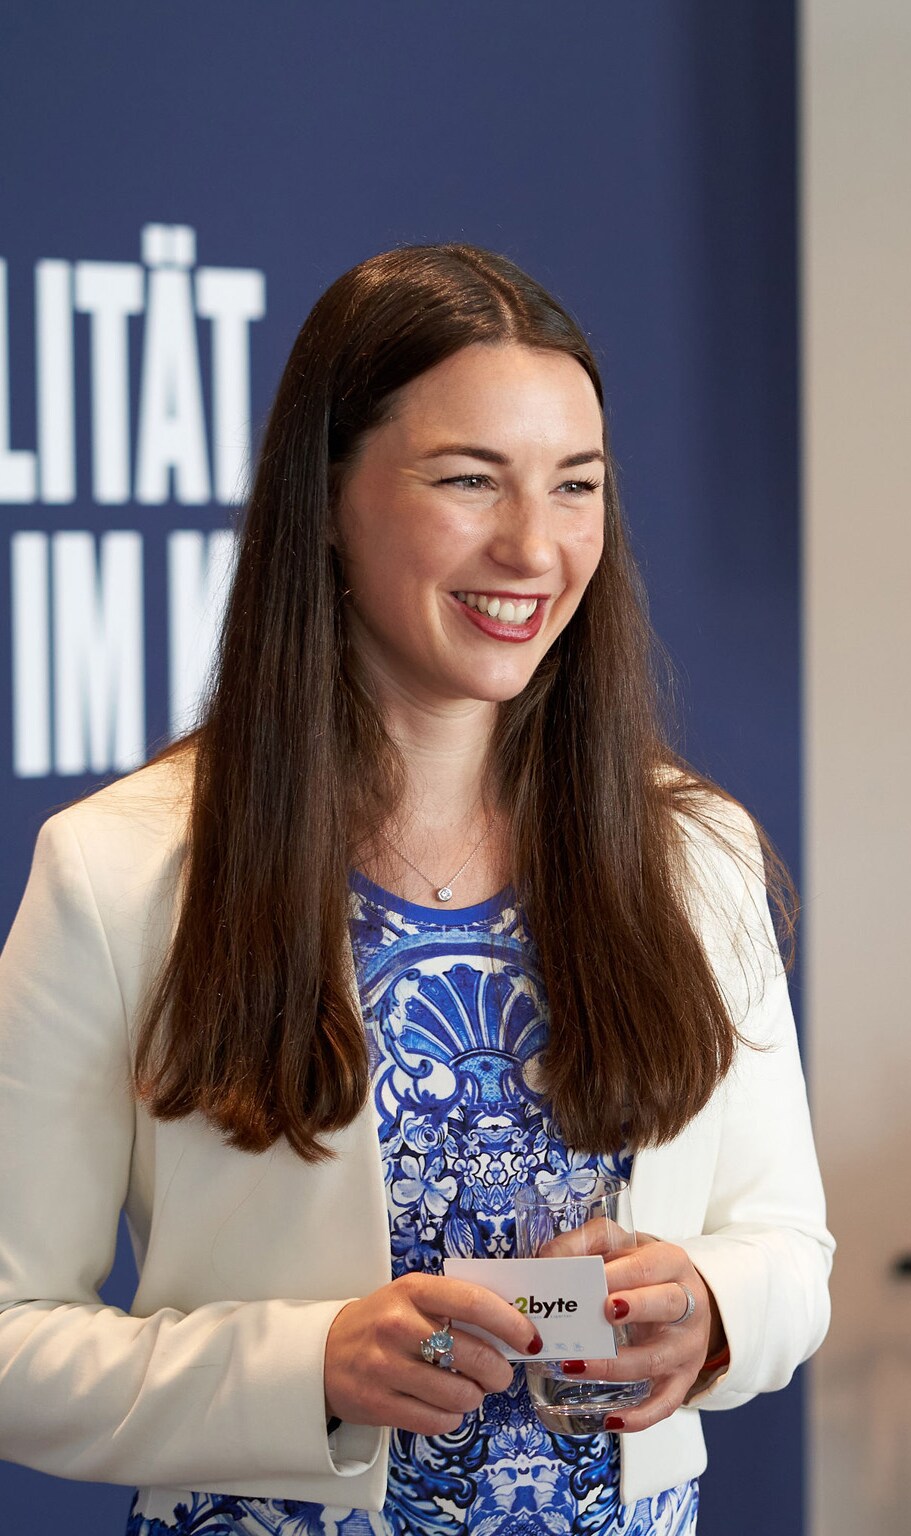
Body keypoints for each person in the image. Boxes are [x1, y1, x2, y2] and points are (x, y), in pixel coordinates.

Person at [0, 245, 831, 1534]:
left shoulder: (695, 854)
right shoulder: (120, 868)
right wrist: (310, 1368)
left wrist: (710, 1311)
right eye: (468, 480)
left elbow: (788, 1251)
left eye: (576, 485)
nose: (534, 546)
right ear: (328, 499)